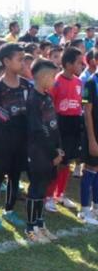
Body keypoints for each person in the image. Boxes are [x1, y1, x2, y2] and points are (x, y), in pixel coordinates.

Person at [0, 43, 31, 230]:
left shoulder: (26, 85)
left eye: (24, 59)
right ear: (6, 61)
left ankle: (9, 210)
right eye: (19, 59)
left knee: (15, 175)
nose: (23, 63)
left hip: (21, 140)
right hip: (2, 140)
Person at [25, 59, 62, 242]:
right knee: (36, 188)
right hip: (38, 152)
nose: (55, 80)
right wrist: (53, 153)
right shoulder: (33, 99)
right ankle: (30, 228)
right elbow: (38, 130)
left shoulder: (47, 97)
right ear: (44, 77)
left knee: (43, 188)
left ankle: (40, 224)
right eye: (53, 76)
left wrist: (59, 149)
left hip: (50, 152)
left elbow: (53, 125)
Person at [45, 47, 84, 212]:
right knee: (56, 161)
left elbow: (80, 104)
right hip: (59, 124)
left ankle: (60, 194)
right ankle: (48, 196)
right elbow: (49, 107)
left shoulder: (79, 82)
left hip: (74, 124)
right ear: (68, 64)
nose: (82, 65)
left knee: (67, 162)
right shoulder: (56, 81)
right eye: (79, 62)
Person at [79, 64, 98, 225]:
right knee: (90, 169)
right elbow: (86, 111)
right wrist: (92, 139)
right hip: (93, 135)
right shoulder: (91, 83)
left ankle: (95, 207)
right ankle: (84, 210)